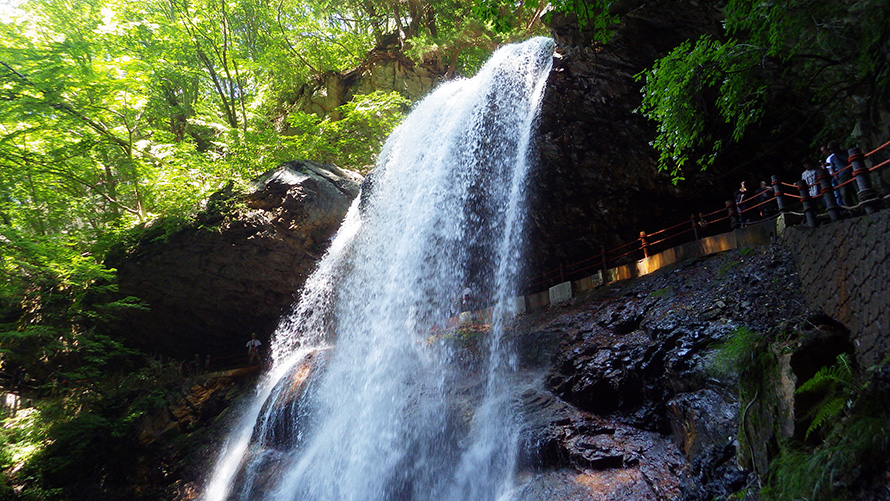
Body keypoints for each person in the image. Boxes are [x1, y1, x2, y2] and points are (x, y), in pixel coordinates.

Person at [826, 141, 855, 208]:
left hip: (851, 172)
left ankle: (861, 206)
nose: (831, 151)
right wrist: (835, 175)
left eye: (831, 149)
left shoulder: (846, 152)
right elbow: (832, 167)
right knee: (844, 194)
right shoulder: (833, 158)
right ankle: (850, 209)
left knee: (855, 190)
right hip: (841, 176)